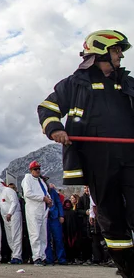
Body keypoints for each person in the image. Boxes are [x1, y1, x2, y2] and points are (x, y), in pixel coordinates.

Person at [37, 30, 134, 276]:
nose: (120, 55)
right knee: (110, 216)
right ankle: (128, 267)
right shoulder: (75, 83)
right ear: (101, 51)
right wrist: (55, 128)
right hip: (98, 161)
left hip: (131, 157)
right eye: (116, 50)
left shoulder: (128, 82)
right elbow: (47, 107)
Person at [21, 161, 51, 266]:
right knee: (35, 234)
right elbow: (27, 194)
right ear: (31, 170)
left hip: (43, 209)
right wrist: (42, 198)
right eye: (35, 169)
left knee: (43, 234)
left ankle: (43, 256)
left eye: (38, 169)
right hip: (33, 209)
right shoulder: (27, 179)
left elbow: (46, 193)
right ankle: (36, 256)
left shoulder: (41, 181)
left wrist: (49, 200)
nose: (38, 171)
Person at [0, 178, 23, 264]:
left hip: (14, 215)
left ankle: (17, 256)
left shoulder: (9, 191)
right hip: (6, 217)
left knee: (16, 235)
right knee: (10, 237)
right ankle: (14, 255)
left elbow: (14, 202)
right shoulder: (1, 194)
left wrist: (10, 213)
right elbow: (0, 205)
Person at [45, 181, 67, 265]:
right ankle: (49, 258)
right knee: (46, 239)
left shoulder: (52, 191)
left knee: (58, 238)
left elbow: (58, 203)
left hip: (55, 217)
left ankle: (61, 258)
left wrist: (61, 215)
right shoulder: (39, 191)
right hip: (45, 217)